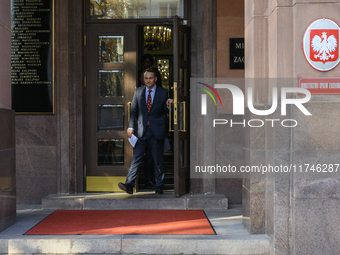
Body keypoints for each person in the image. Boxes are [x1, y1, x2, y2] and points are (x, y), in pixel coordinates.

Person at [118, 68, 173, 195]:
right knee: (136, 159)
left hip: (156, 131)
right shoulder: (138, 91)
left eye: (150, 78)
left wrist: (170, 105)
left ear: (155, 79)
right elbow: (133, 111)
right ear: (144, 79)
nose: (148, 80)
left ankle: (159, 186)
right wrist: (130, 127)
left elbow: (165, 111)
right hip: (141, 131)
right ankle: (129, 185)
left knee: (157, 160)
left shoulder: (163, 92)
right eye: (146, 78)